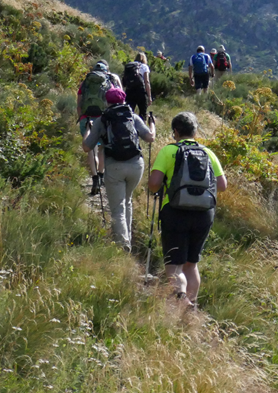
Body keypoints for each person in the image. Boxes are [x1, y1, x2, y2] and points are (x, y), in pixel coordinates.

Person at [148, 112, 226, 306]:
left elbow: (154, 184)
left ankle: (182, 302)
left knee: (175, 266)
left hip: (175, 212)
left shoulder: (168, 151)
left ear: (175, 131)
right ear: (195, 131)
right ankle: (191, 310)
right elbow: (222, 185)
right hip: (204, 214)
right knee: (191, 265)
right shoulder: (208, 153)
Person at [82, 88, 156, 251]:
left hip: (115, 166)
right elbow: (150, 137)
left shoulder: (103, 120)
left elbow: (87, 147)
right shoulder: (132, 116)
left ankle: (123, 245)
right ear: (124, 100)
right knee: (127, 201)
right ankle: (127, 236)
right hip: (136, 165)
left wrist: (88, 129)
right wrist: (152, 123)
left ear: (107, 102)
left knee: (117, 208)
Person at [77, 60, 122, 195]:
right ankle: (101, 175)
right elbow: (119, 98)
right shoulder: (111, 80)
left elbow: (79, 103)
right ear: (106, 70)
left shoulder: (85, 82)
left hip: (87, 118)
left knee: (91, 148)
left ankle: (94, 177)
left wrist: (81, 118)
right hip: (103, 118)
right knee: (102, 147)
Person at [122, 52, 152, 119]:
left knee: (129, 113)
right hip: (141, 91)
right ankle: (141, 128)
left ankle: (129, 127)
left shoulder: (130, 66)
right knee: (143, 114)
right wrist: (149, 96)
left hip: (129, 91)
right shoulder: (144, 67)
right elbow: (146, 81)